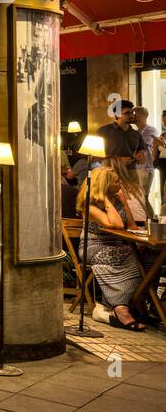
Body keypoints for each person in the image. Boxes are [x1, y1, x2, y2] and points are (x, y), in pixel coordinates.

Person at [77, 167, 147, 331]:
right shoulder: (90, 206)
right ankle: (121, 308)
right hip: (94, 248)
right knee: (135, 256)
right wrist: (107, 202)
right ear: (105, 185)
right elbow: (116, 224)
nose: (121, 183)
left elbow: (131, 226)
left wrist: (124, 203)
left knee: (149, 257)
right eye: (116, 181)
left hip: (118, 247)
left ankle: (125, 305)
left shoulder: (117, 200)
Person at [98, 99, 145, 165]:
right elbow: (95, 156)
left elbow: (142, 157)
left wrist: (141, 156)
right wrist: (118, 160)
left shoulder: (136, 134)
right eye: (127, 113)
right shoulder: (103, 131)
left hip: (131, 172)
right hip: (110, 171)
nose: (131, 115)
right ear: (117, 115)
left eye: (132, 112)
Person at [108, 158, 147, 228]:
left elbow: (116, 223)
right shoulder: (136, 187)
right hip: (143, 228)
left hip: (129, 230)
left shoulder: (115, 190)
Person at [134, 106, 158, 200]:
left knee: (144, 198)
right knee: (139, 199)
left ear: (140, 116)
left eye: (134, 114)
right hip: (138, 168)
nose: (132, 116)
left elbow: (141, 145)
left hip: (146, 169)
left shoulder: (151, 130)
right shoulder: (136, 132)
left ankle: (150, 215)